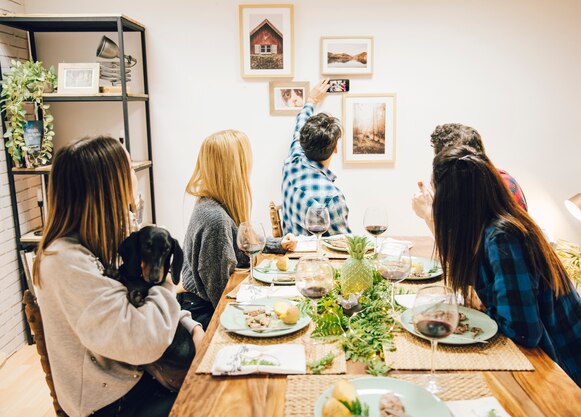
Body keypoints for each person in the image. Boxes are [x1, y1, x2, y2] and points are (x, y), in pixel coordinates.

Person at [32, 136, 204, 417]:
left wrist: (192, 326)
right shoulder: (65, 262)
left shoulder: (102, 241)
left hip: (137, 378)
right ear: (108, 190)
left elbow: (141, 297)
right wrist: (164, 281)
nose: (134, 185)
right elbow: (144, 341)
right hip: (113, 402)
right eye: (130, 173)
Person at [431, 145, 581, 402]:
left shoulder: (503, 236)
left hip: (570, 373)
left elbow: (524, 331)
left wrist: (482, 306)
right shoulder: (488, 228)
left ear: (455, 201)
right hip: (554, 358)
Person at [181, 129, 296, 328]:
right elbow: (220, 297)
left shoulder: (212, 203)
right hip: (203, 313)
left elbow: (240, 243)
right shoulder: (214, 219)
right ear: (235, 168)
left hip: (200, 304)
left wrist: (278, 244)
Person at [412, 123, 527, 233]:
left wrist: (428, 214)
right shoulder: (475, 189)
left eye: (441, 165)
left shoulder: (499, 191)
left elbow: (459, 252)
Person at [281, 79, 351, 235]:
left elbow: (299, 125)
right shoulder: (331, 198)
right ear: (335, 149)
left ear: (303, 141)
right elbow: (344, 246)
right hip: (316, 258)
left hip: (289, 254)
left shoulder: (292, 163)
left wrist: (311, 101)